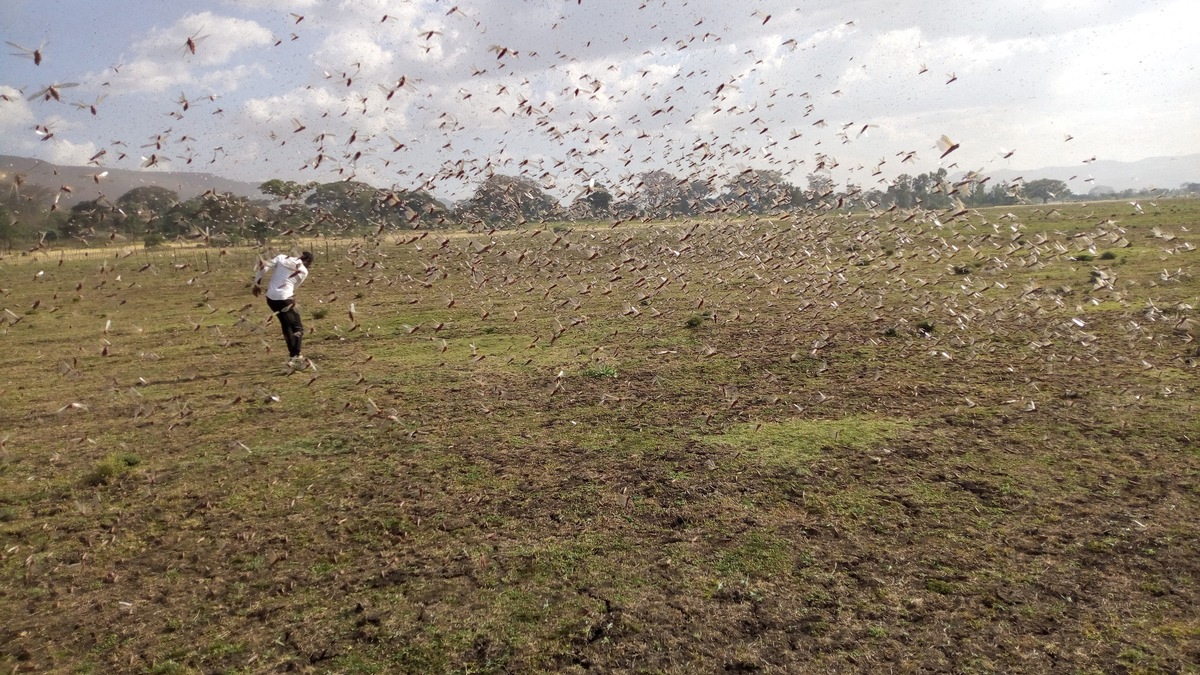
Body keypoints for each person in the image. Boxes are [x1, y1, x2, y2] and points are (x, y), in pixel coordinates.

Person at [253, 251, 313, 369]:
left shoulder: (281, 258)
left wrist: (257, 282)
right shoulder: (304, 271)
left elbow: (264, 266)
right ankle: (296, 356)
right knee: (297, 327)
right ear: (308, 261)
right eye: (309, 264)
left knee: (286, 325)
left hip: (271, 299)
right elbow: (293, 287)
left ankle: (293, 355)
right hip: (285, 299)